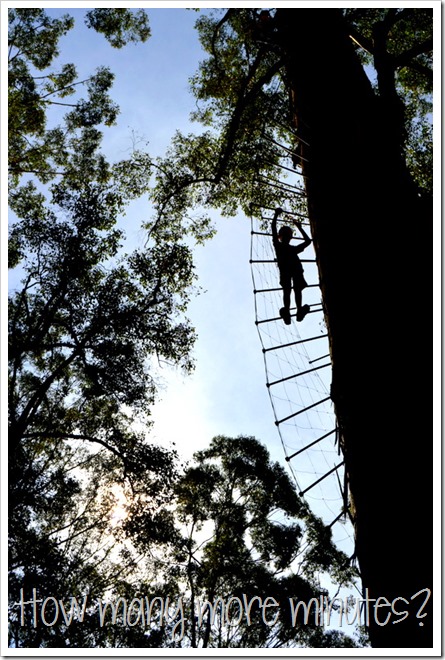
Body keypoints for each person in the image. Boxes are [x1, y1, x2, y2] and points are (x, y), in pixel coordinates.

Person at [272, 207, 312, 324]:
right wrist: (275, 216)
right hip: (291, 270)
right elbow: (273, 229)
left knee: (291, 289)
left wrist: (276, 216)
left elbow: (308, 242)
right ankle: (291, 311)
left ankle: (294, 311)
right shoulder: (283, 247)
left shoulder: (287, 248)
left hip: (292, 270)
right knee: (292, 289)